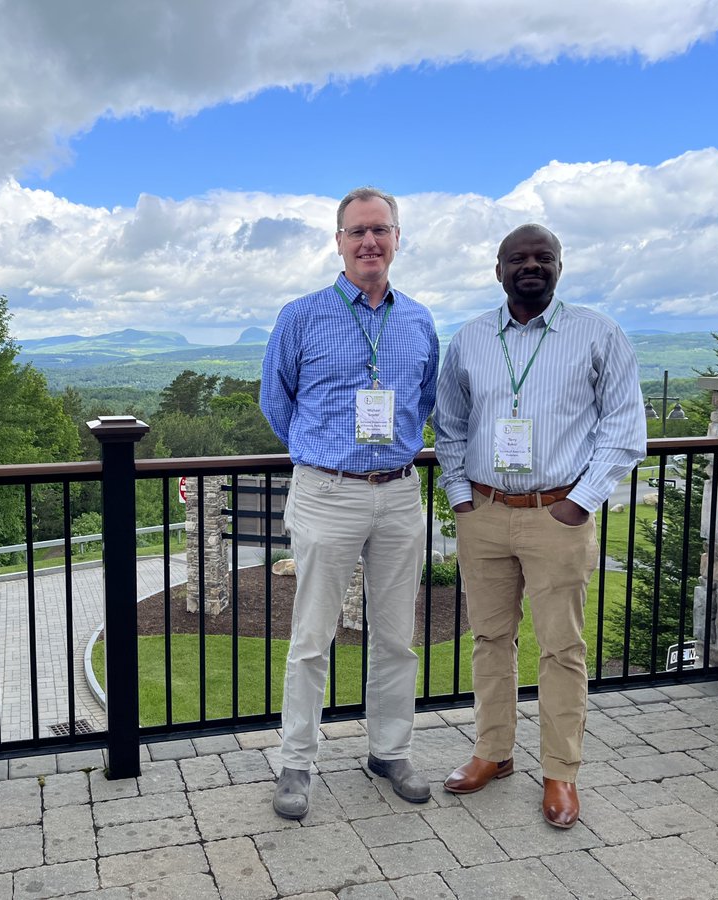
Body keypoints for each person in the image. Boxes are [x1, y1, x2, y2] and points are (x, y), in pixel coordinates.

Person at [433, 224, 646, 828]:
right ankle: (492, 752)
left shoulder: (598, 333)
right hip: (485, 513)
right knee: (489, 641)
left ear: (560, 266)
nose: (531, 266)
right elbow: (449, 425)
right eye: (518, 258)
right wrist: (459, 497)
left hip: (559, 515)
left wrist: (582, 502)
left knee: (562, 650)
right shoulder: (471, 340)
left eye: (543, 257)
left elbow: (624, 429)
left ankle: (561, 772)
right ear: (497, 269)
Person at [260, 186, 440, 819]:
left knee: (396, 636)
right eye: (358, 231)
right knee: (312, 637)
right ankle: (297, 762)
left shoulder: (418, 320)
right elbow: (276, 400)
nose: (370, 241)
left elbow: (425, 397)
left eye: (381, 230)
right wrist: (322, 458)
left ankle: (389, 751)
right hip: (327, 492)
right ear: (338, 241)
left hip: (397, 493)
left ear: (397, 240)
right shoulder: (302, 315)